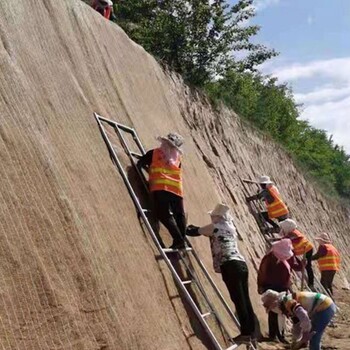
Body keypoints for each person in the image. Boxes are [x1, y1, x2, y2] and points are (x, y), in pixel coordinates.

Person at [186, 204, 255, 343]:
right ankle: (251, 332)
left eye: (213, 216)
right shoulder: (230, 228)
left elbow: (195, 231)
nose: (211, 218)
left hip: (230, 265)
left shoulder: (215, 226)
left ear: (218, 216)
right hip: (241, 264)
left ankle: (246, 334)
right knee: (245, 299)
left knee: (238, 299)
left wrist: (184, 225)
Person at [137, 132, 186, 249]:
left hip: (162, 187)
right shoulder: (177, 159)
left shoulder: (154, 153)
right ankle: (181, 240)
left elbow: (141, 163)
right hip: (176, 190)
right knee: (179, 215)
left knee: (163, 214)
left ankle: (179, 240)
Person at [257, 239, 303, 343]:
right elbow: (262, 272)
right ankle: (274, 335)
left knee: (281, 312)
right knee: (273, 311)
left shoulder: (287, 258)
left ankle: (280, 335)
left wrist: (301, 262)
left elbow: (298, 266)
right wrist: (260, 286)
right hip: (271, 287)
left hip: (282, 288)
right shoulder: (269, 258)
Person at [261, 290, 336, 350]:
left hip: (325, 307)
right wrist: (295, 341)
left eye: (272, 308)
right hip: (323, 306)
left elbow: (304, 316)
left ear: (275, 304)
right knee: (313, 335)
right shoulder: (286, 304)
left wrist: (305, 334)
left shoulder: (289, 303)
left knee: (314, 337)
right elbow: (297, 324)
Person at [279, 219, 315, 290]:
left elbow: (288, 239)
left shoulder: (293, 234)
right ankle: (310, 283)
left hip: (307, 249)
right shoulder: (292, 231)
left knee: (308, 266)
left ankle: (311, 284)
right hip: (305, 248)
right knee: (306, 265)